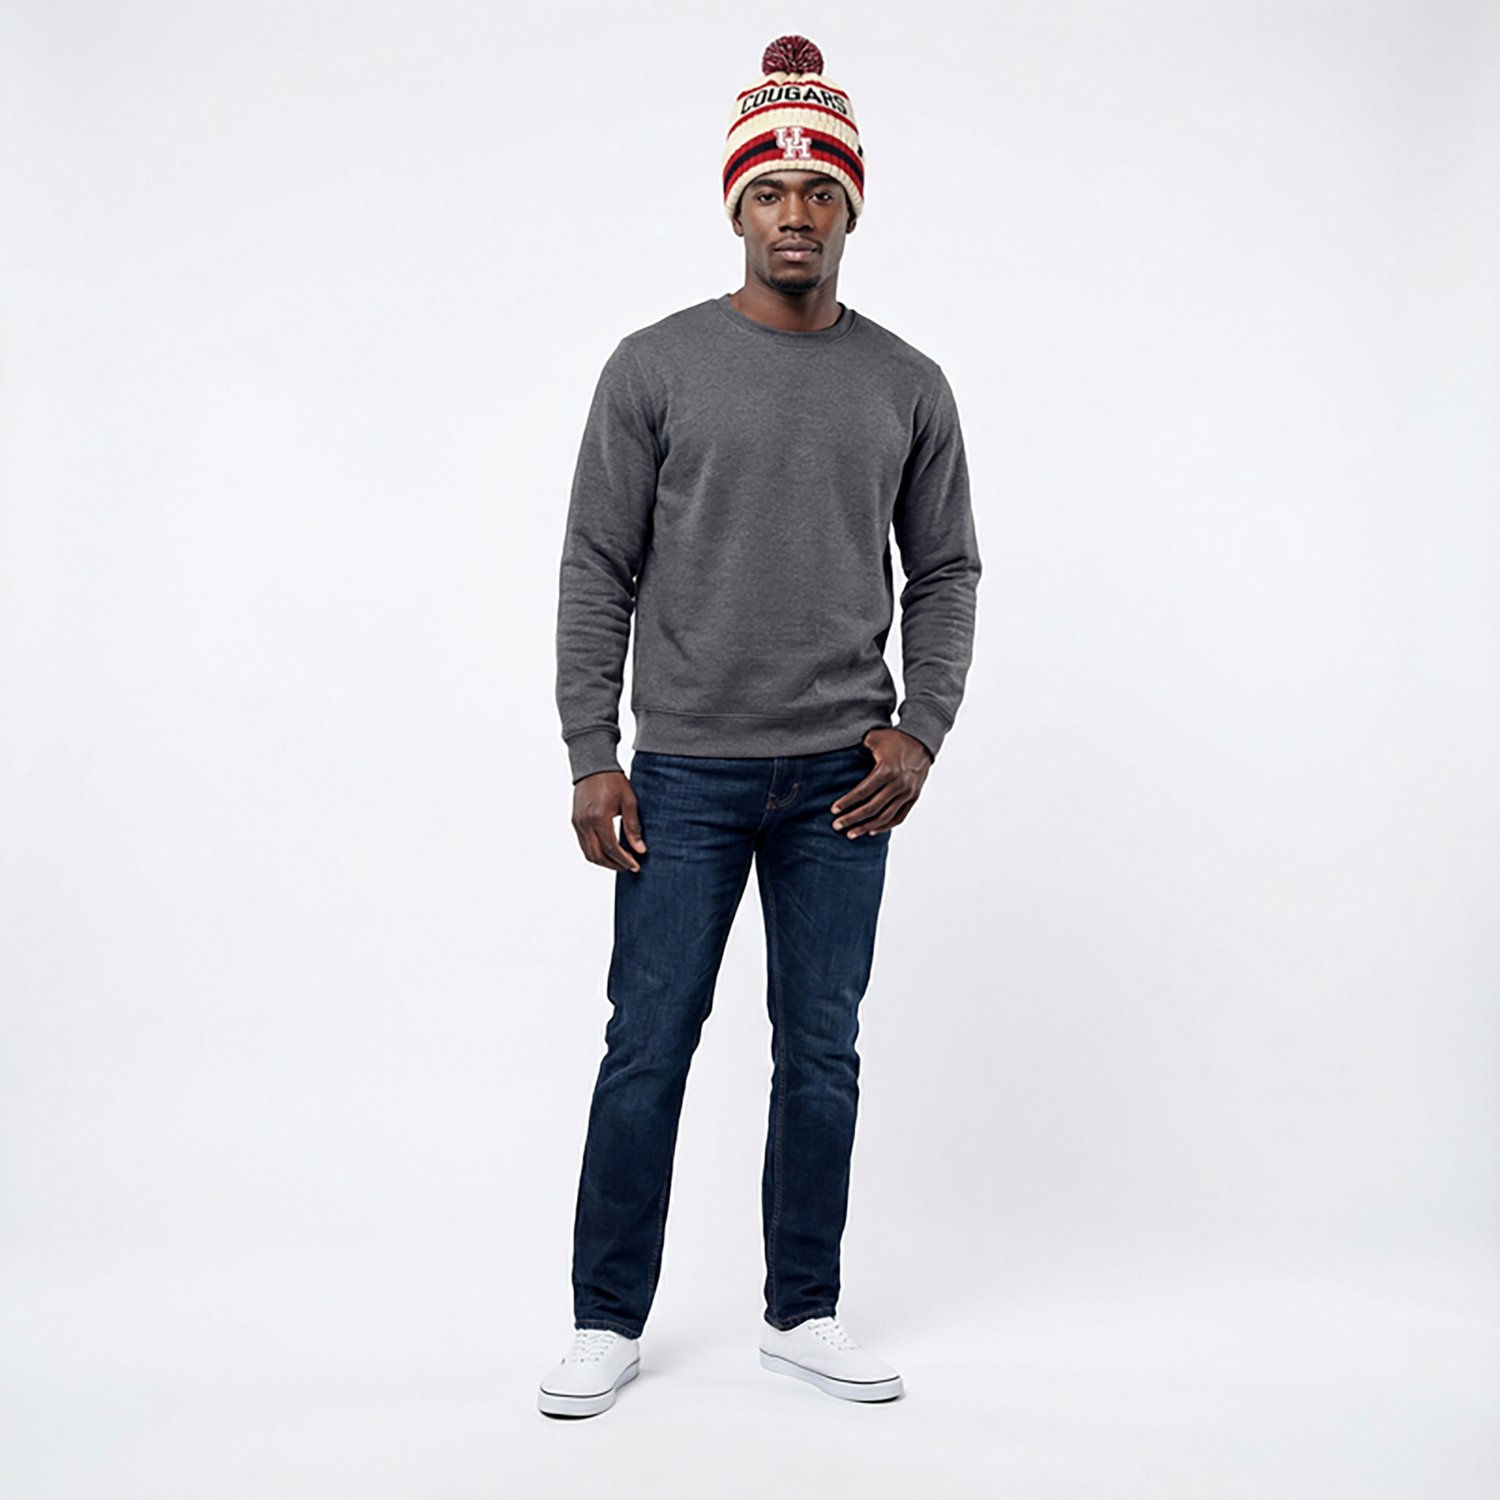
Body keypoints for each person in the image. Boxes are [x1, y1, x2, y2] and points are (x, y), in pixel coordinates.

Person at [539, 34, 982, 1418]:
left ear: (853, 210)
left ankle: (805, 1310)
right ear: (735, 206)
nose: (797, 213)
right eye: (773, 190)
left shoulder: (907, 382)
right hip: (683, 773)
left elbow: (948, 569)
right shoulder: (654, 366)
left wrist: (922, 729)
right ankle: (605, 1320)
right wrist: (593, 752)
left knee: (823, 1049)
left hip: (844, 779)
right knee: (648, 1044)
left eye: (821, 191)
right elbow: (595, 565)